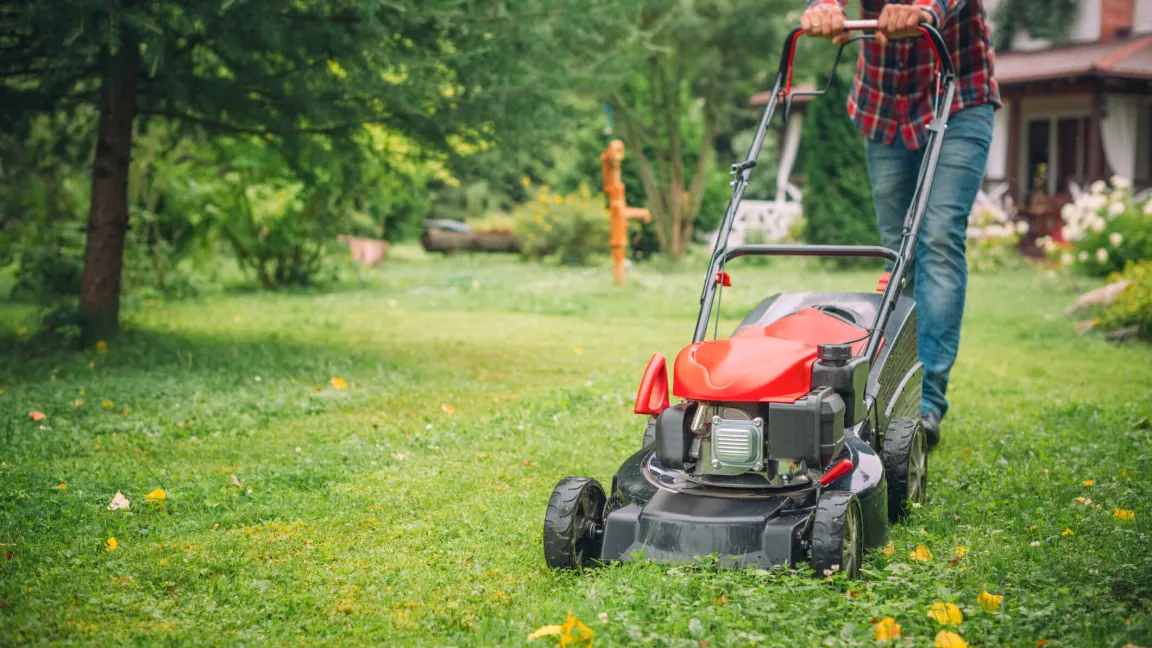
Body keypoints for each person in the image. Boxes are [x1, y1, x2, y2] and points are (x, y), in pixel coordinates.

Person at [800, 0, 999, 448]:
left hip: (960, 96)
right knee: (897, 252)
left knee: (940, 237)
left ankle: (927, 404)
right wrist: (824, 7)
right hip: (884, 103)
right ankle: (893, 394)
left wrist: (923, 9)